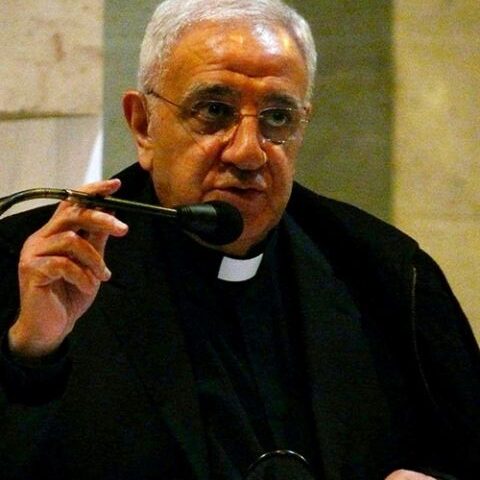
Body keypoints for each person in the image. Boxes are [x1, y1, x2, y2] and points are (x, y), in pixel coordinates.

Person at [0, 0, 479, 478]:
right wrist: (30, 355)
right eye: (215, 110)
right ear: (143, 125)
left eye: (277, 118)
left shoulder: (386, 276)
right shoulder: (40, 265)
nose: (249, 152)